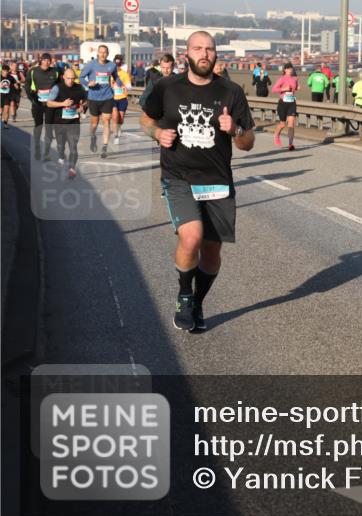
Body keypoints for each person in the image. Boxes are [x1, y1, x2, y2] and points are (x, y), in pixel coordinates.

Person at [140, 31, 255, 333]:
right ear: (186, 54)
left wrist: (235, 130)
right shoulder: (166, 87)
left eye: (210, 49)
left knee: (212, 252)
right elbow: (146, 119)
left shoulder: (231, 92)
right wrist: (156, 134)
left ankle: (197, 301)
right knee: (191, 237)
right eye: (198, 48)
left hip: (217, 181)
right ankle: (184, 294)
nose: (204, 54)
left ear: (216, 55)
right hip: (178, 177)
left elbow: (248, 143)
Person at [80, 44, 123, 159]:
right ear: (97, 53)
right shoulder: (91, 65)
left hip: (107, 97)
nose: (103, 54)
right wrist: (88, 84)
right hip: (93, 97)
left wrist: (120, 84)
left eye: (105, 52)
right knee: (94, 123)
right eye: (101, 52)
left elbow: (116, 76)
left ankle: (104, 146)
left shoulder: (112, 65)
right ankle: (93, 137)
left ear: (107, 54)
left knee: (106, 120)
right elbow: (81, 77)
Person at [46, 66, 87, 179]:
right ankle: (61, 157)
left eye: (73, 78)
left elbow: (86, 100)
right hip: (59, 122)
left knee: (73, 146)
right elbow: (49, 103)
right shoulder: (57, 88)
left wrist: (82, 107)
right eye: (68, 78)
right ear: (63, 77)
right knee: (60, 146)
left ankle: (72, 169)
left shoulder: (79, 88)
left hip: (74, 122)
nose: (70, 81)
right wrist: (63, 104)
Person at [27, 53, 62, 161]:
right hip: (37, 103)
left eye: (49, 60)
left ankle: (46, 153)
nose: (47, 62)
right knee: (38, 126)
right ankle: (37, 148)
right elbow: (27, 87)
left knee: (49, 128)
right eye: (45, 60)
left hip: (50, 104)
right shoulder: (33, 71)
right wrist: (33, 99)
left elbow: (60, 85)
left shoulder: (55, 71)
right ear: (41, 60)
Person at [271, 63, 299, 151]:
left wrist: (297, 87)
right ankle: (276, 135)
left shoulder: (295, 79)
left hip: (292, 102)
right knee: (283, 124)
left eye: (291, 68)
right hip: (283, 103)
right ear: (285, 70)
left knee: (291, 124)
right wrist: (284, 89)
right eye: (288, 68)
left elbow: (296, 87)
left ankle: (290, 144)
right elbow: (274, 89)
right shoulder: (282, 79)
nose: (290, 70)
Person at [111, 54, 132, 144]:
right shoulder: (110, 74)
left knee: (121, 118)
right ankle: (116, 136)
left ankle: (119, 127)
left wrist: (125, 87)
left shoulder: (124, 73)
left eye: (118, 64)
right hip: (112, 98)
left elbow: (129, 86)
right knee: (115, 116)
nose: (116, 66)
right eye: (115, 64)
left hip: (122, 98)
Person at [1, 64, 22, 128]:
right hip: (0, 95)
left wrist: (17, 86)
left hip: (7, 96)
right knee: (1, 111)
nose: (6, 72)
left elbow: (16, 85)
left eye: (7, 71)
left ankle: (5, 124)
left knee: (6, 110)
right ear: (2, 71)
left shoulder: (10, 77)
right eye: (4, 71)